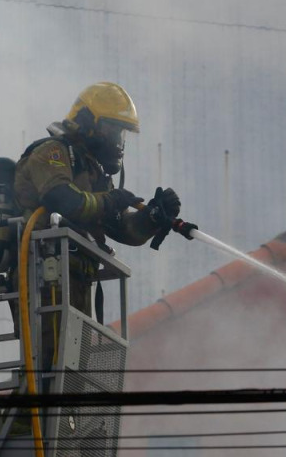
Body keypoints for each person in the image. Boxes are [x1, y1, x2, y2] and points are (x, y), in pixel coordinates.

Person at [13, 82, 182, 376]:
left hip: (74, 278)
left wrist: (153, 217)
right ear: (87, 122)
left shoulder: (94, 174)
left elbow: (123, 228)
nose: (118, 141)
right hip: (43, 276)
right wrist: (111, 200)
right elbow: (64, 200)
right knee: (49, 369)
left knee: (72, 369)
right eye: (113, 130)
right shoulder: (52, 153)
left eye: (122, 133)